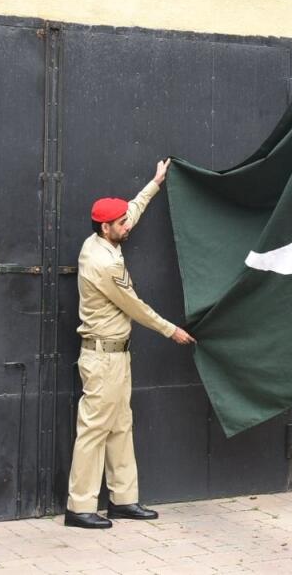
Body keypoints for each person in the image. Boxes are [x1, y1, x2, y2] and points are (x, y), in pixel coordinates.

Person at [65, 159, 196, 529]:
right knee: (94, 430)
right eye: (121, 224)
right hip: (102, 358)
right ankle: (79, 507)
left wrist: (155, 183)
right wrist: (171, 330)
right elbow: (135, 306)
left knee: (121, 425)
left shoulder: (102, 238)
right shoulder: (103, 263)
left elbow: (132, 211)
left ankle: (123, 500)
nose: (128, 226)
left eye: (125, 221)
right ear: (106, 227)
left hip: (116, 355)